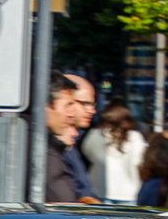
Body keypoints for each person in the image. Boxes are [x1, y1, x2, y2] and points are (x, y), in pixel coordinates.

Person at [42, 72, 100, 203]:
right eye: (85, 103)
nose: (92, 110)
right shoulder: (48, 144)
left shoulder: (65, 142)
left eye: (93, 105)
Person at [81, 101, 151, 204]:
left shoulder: (95, 134)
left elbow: (87, 153)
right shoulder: (135, 137)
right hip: (129, 193)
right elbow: (140, 161)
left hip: (99, 190)